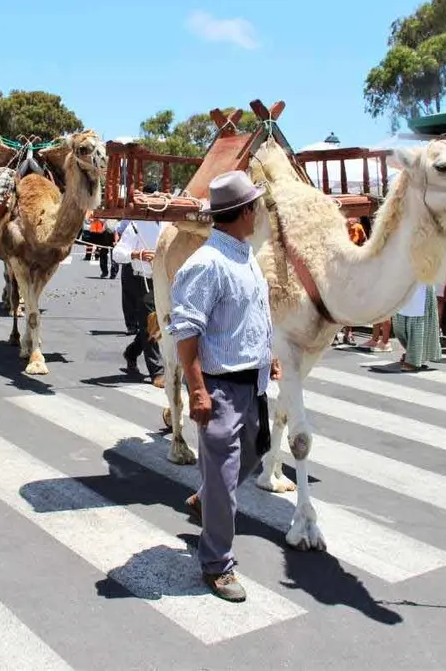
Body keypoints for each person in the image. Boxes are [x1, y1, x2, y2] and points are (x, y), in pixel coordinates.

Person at [167, 170, 273, 603]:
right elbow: (186, 334)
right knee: (226, 478)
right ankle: (217, 565)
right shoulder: (206, 264)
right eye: (256, 206)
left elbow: (251, 313)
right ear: (244, 211)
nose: (259, 212)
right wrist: (197, 390)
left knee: (257, 450)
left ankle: (207, 497)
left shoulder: (245, 254)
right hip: (221, 386)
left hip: (253, 380)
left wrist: (270, 354)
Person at [112, 218, 164, 386]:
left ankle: (132, 352)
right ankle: (157, 371)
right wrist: (136, 254)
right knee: (151, 322)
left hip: (163, 279)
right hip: (142, 280)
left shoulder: (171, 224)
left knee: (161, 323)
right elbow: (117, 253)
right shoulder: (136, 224)